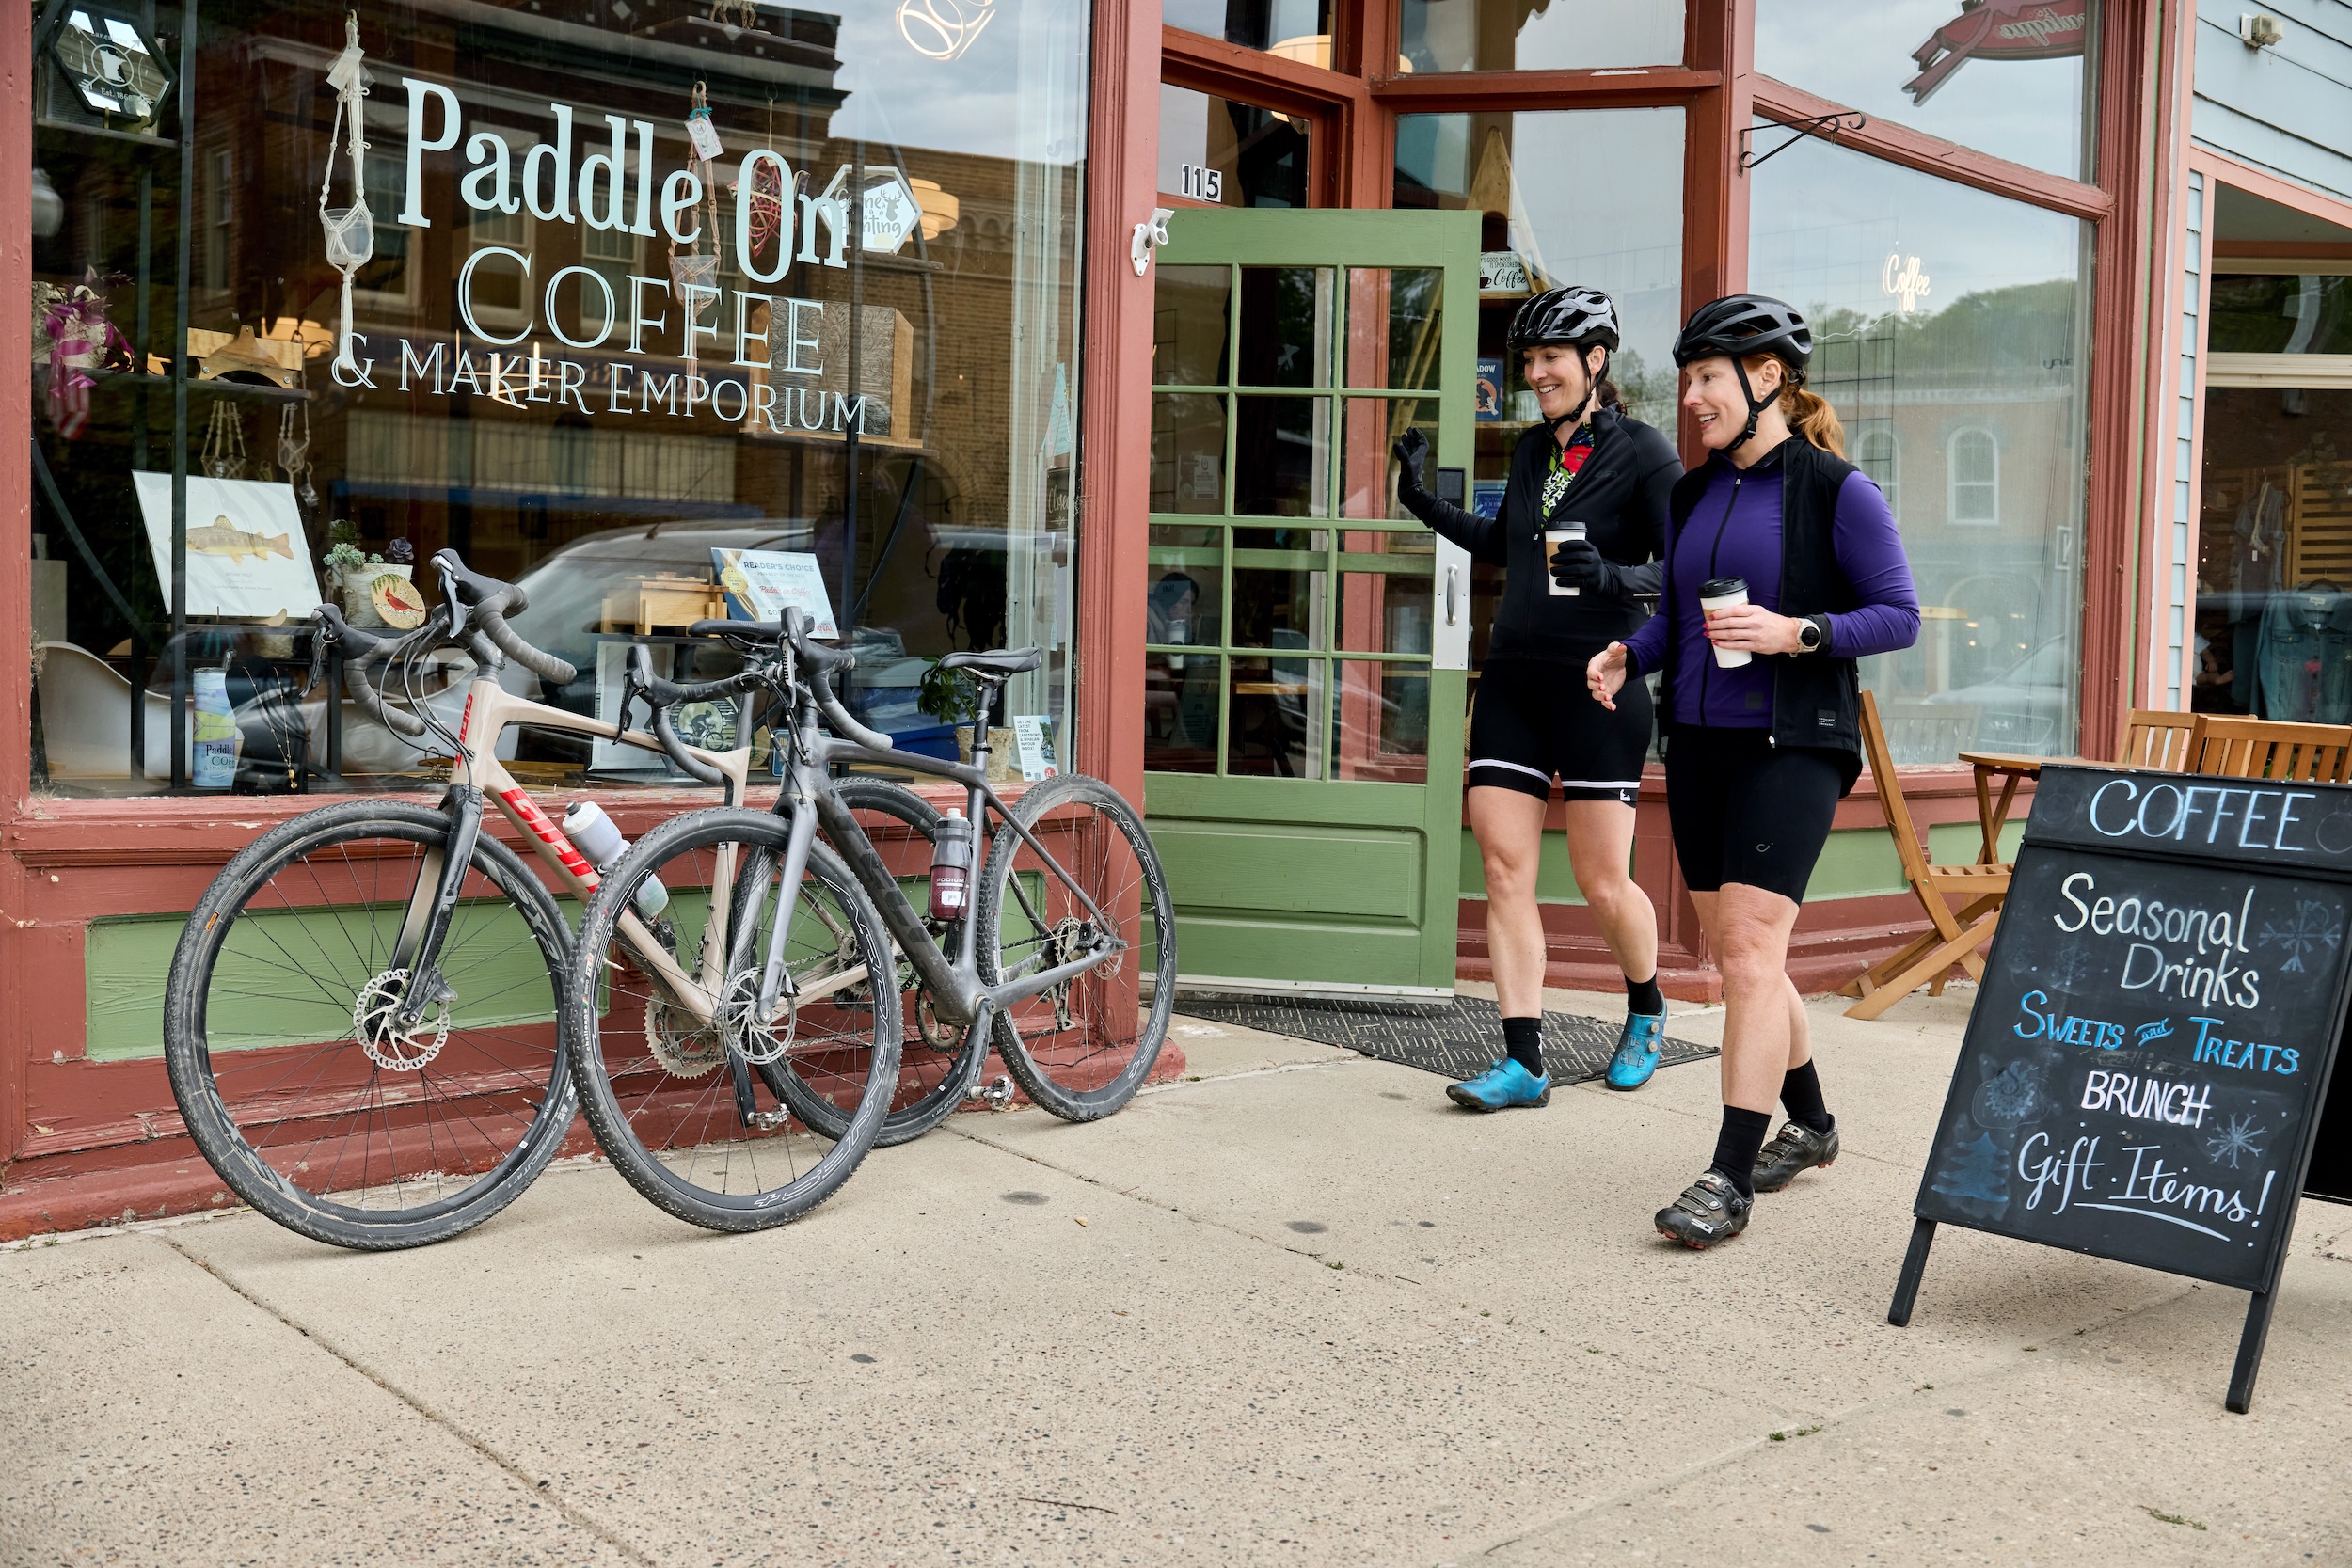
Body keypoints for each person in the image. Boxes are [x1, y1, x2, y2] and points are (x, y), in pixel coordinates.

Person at [1587, 294, 1919, 1247]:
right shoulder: (1691, 493)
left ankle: (1725, 1176)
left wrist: (1797, 630)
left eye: (1705, 379)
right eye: (1685, 379)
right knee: (1747, 956)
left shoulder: (1833, 490)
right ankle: (1811, 1122)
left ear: (1766, 376)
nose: (1688, 397)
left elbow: (1897, 615)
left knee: (1743, 956)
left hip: (1794, 742)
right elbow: (1679, 619)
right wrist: (1629, 653)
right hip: (1696, 743)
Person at [1393, 285, 1682, 1111]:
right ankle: (1524, 1061)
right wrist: (1424, 503)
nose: (1536, 372)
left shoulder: (1645, 452)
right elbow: (1506, 543)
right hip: (1514, 680)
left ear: (1596, 361)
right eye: (1529, 360)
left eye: (1552, 357)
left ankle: (1647, 1003)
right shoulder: (1531, 453)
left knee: (1601, 882)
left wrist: (1616, 576)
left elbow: (1682, 568)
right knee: (1503, 867)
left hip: (1599, 685)